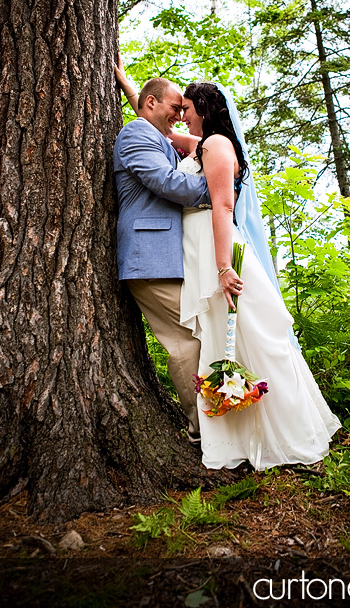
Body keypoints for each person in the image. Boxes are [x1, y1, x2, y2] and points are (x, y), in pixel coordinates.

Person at [116, 61, 340, 469]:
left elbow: (221, 203)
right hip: (192, 256)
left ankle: (275, 430)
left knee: (248, 339)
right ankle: (230, 428)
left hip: (216, 254)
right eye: (176, 107)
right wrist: (128, 83)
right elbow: (154, 123)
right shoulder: (194, 144)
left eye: (186, 108)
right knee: (213, 340)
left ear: (202, 108)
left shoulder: (215, 145)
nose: (180, 115)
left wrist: (223, 263)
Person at [113, 57, 211, 445]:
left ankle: (209, 422)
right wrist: (222, 192)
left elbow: (154, 110)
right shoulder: (137, 134)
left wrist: (126, 83)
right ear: (152, 105)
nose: (179, 115)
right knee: (187, 340)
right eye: (175, 107)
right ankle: (201, 429)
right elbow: (169, 184)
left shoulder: (154, 133)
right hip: (148, 260)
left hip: (164, 258)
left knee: (198, 335)